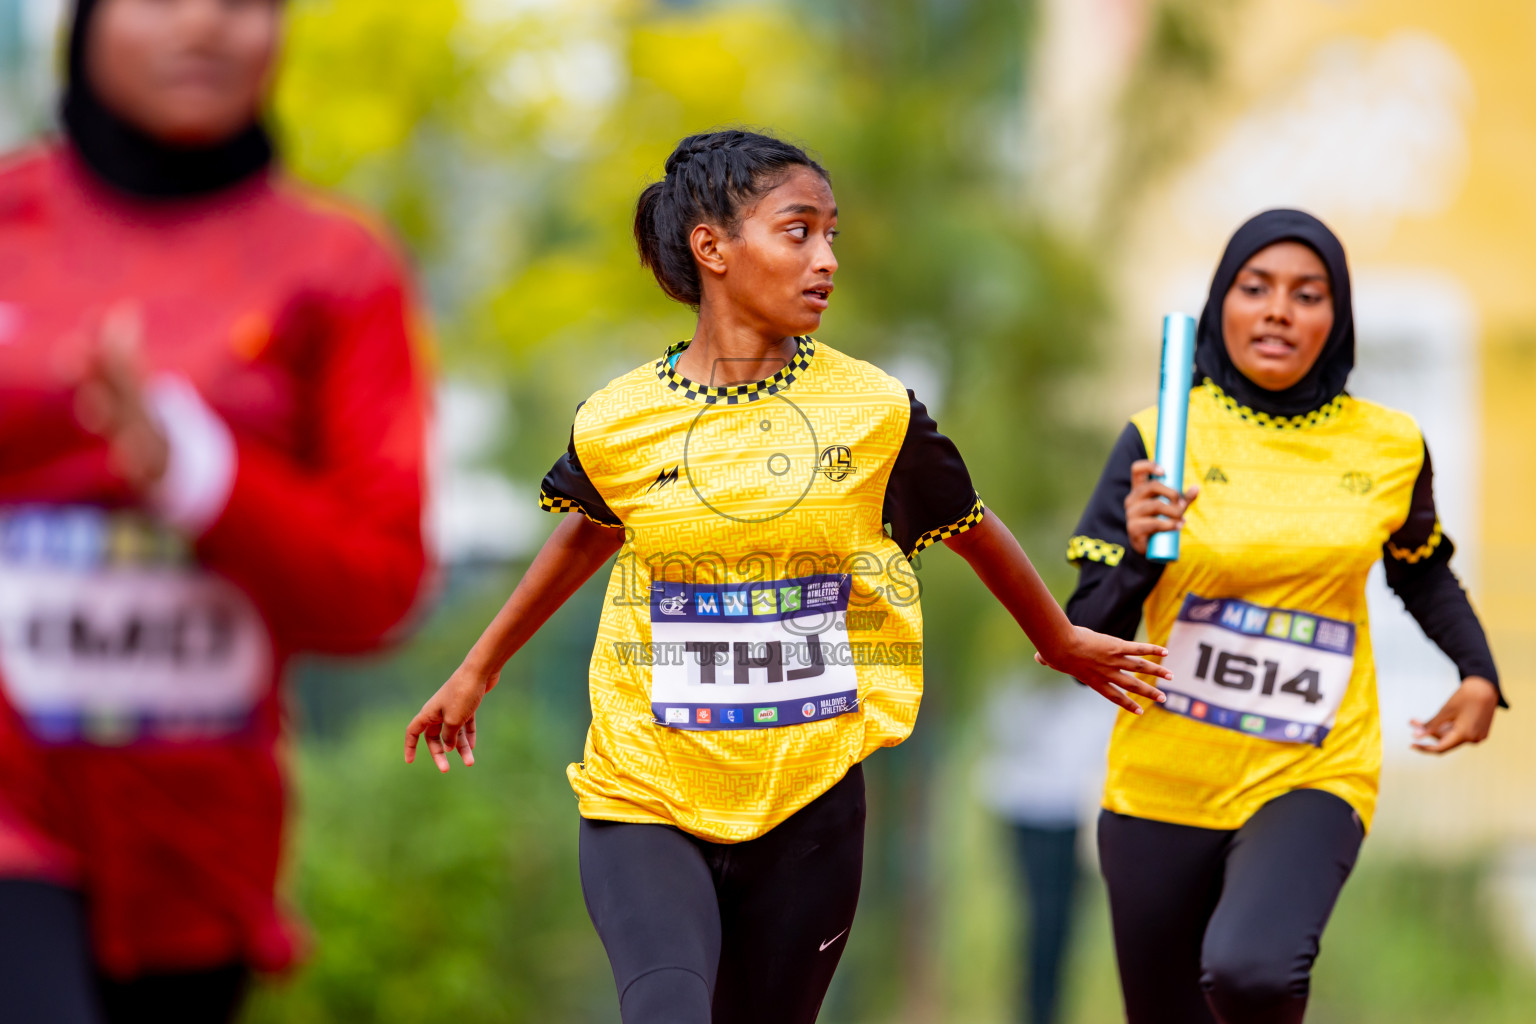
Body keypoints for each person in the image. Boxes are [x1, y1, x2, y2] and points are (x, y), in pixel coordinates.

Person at [405, 128, 1171, 1024]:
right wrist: (478, 666)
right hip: (646, 793)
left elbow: (971, 525)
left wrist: (1061, 638)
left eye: (832, 235)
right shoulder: (618, 421)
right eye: (799, 231)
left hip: (808, 806)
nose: (827, 260)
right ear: (713, 248)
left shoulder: (876, 412)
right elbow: (588, 532)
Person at [0, 1, 431, 1021]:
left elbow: (378, 583)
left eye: (242, 0)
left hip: (200, 854)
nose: (203, 25)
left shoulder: (338, 267)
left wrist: (198, 471)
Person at [1065, 209, 1503, 1024]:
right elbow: (1089, 625)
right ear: (1219, 304)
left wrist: (1478, 672)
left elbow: (1423, 571)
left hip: (1313, 765)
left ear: (1336, 321)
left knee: (1252, 973)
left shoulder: (1389, 445)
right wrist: (1133, 550)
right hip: (1164, 782)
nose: (1278, 311)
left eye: (1308, 295)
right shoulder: (1160, 436)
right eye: (1255, 288)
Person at [977, 678, 1114, 1024]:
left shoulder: (1098, 688)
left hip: (1076, 814)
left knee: (1062, 922)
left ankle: (1048, 1006)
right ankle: (1037, 1009)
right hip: (1029, 813)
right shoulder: (1015, 680)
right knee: (1042, 918)